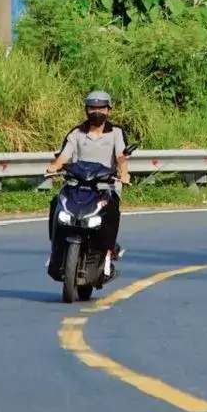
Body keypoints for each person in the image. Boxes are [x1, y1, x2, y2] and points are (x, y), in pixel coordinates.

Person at [47, 90, 130, 277]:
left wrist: (124, 175)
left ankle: (107, 253)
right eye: (93, 108)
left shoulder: (116, 133)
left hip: (104, 187)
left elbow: (121, 158)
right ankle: (57, 249)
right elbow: (64, 155)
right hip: (78, 186)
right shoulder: (77, 133)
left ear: (109, 110)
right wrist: (54, 167)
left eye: (101, 108)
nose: (97, 112)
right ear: (87, 109)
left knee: (112, 213)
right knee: (56, 204)